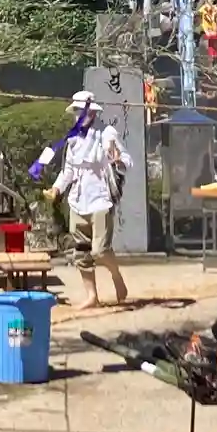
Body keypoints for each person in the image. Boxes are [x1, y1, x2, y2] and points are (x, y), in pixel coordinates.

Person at [49, 88, 130, 311]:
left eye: (82, 110)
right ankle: (91, 296)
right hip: (78, 198)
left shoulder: (107, 133)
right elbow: (68, 170)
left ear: (92, 112)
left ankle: (116, 276)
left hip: (101, 197)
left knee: (100, 250)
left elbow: (125, 159)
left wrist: (117, 160)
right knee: (81, 251)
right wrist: (57, 188)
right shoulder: (73, 137)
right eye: (76, 111)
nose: (79, 115)